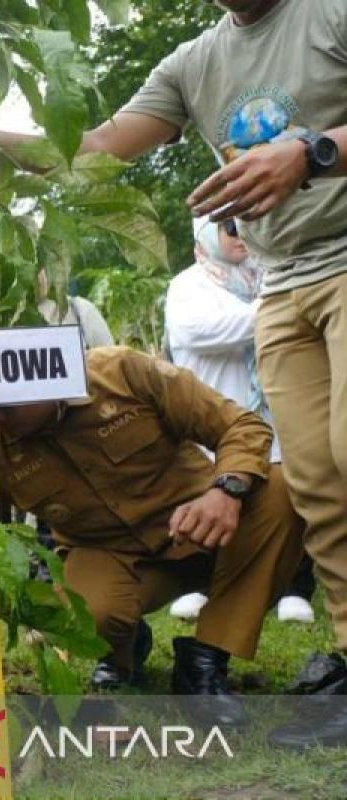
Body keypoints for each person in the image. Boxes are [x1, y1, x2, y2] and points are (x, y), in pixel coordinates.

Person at [0, 0, 347, 747]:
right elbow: (94, 148)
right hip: (282, 283)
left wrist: (313, 151)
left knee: (334, 463)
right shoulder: (192, 62)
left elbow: (238, 433)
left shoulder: (327, 17)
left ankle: (225, 650)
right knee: (318, 480)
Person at [0, 347, 305, 727]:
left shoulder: (122, 372)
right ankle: (123, 641)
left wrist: (226, 491)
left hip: (203, 527)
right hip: (110, 557)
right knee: (91, 615)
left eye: (6, 406)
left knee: (281, 490)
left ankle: (205, 661)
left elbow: (242, 425)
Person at [165, 217, 317, 624]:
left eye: (250, 224)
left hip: (276, 411)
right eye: (229, 226)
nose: (240, 234)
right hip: (214, 423)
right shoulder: (188, 285)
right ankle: (202, 586)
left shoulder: (269, 276)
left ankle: (295, 587)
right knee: (214, 502)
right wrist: (276, 310)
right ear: (203, 233)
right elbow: (200, 330)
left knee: (292, 494)